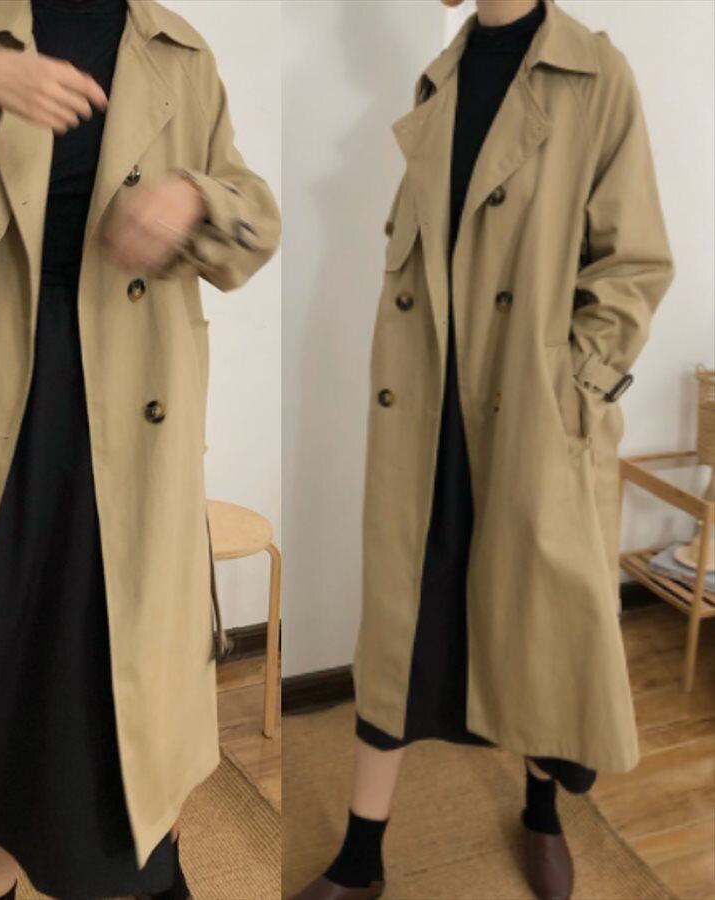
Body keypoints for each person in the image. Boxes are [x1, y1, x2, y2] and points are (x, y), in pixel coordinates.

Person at [0, 1, 280, 898]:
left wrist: (196, 197)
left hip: (127, 422)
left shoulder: (178, 53)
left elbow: (254, 227)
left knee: (117, 684)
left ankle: (149, 873)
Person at [290, 1, 672, 898]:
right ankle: (361, 856)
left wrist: (574, 387)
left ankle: (540, 811)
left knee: (538, 616)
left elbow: (633, 261)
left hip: (530, 409)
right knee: (405, 624)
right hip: (427, 407)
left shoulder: (595, 75)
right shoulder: (441, 81)